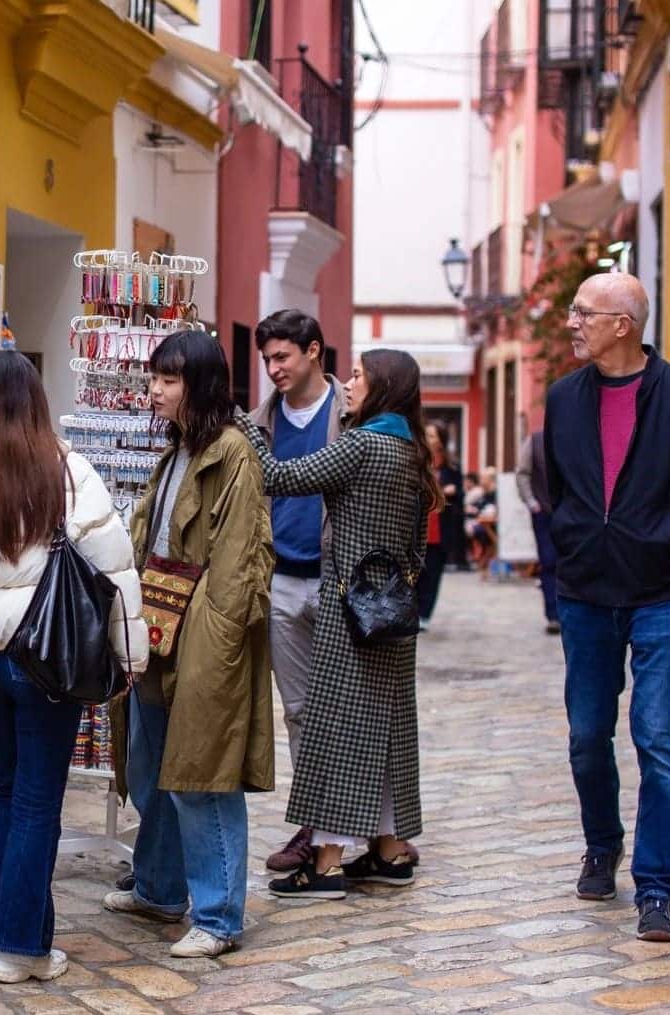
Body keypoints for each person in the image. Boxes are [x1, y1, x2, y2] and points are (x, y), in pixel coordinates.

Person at [0, 350, 146, 983]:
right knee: (38, 801)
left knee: (10, 790)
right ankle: (19, 946)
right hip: (50, 655)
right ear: (36, 400)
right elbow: (113, 569)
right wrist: (131, 655)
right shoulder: (67, 473)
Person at [544, 272, 670, 942]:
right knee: (588, 735)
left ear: (623, 323)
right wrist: (570, 541)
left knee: (659, 738)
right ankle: (602, 843)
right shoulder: (564, 398)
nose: (572, 321)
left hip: (660, 594)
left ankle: (657, 888)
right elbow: (554, 486)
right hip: (587, 591)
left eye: (583, 311)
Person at [234, 349, 443, 899]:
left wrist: (250, 426)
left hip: (348, 609)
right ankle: (390, 850)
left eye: (356, 376)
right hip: (391, 613)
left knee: (335, 728)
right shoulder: (411, 451)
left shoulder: (359, 444)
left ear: (383, 388)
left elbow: (278, 476)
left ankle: (325, 863)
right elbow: (418, 552)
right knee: (390, 730)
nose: (347, 384)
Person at [101, 329, 275, 958]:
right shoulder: (176, 450)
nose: (154, 391)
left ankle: (219, 915)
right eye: (154, 379)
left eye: (167, 380)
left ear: (197, 385)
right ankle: (159, 887)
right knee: (151, 768)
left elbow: (238, 564)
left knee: (203, 777)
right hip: (156, 631)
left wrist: (214, 646)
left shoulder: (232, 453)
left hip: (201, 638)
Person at [245, 311, 347, 875]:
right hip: (281, 578)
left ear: (314, 351)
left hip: (338, 579)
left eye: (282, 356)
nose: (273, 368)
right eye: (266, 359)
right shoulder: (259, 422)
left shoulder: (351, 414)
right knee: (301, 711)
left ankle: (374, 830)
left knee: (352, 707)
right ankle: (312, 825)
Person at [517, 429, 561, 634]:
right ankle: (553, 615)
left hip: (573, 511)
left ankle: (569, 613)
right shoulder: (534, 440)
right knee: (549, 561)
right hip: (543, 511)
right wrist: (531, 502)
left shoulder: (578, 433)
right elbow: (523, 473)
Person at [415, 424, 450, 631]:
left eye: (432, 435)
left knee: (433, 574)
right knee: (416, 572)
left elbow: (459, 501)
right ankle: (413, 610)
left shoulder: (449, 467)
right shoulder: (417, 459)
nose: (428, 438)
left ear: (440, 440)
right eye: (426, 433)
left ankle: (425, 614)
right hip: (419, 524)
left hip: (439, 528)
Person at [435, 426, 467, 570]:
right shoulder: (419, 460)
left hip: (446, 513)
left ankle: (453, 559)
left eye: (432, 436)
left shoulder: (452, 465)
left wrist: (453, 490)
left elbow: (460, 492)